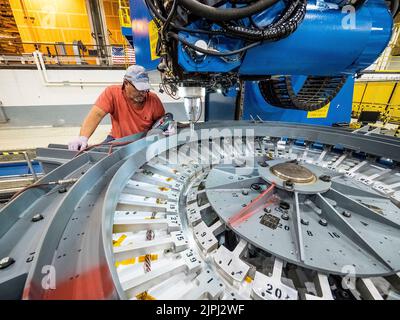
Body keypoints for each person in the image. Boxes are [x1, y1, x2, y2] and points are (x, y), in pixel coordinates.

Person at [68, 65, 166, 151]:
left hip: (142, 140)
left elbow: (161, 121)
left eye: (145, 89)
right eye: (139, 89)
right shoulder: (112, 93)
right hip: (117, 139)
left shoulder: (153, 99)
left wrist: (165, 127)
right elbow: (96, 115)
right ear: (126, 83)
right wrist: (83, 137)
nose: (143, 93)